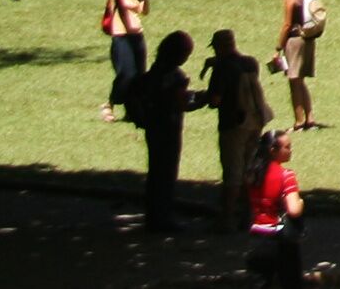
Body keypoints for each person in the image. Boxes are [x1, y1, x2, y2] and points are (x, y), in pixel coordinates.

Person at [121, 27, 200, 233]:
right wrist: (203, 98)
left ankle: (155, 215)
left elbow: (134, 89)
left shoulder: (155, 71)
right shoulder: (174, 76)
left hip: (154, 127)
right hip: (169, 127)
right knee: (166, 173)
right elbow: (180, 103)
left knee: (156, 171)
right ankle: (162, 217)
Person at [203, 27, 273, 229]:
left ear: (218, 47)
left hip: (233, 123)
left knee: (232, 171)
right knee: (248, 169)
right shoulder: (250, 63)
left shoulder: (222, 69)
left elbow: (215, 100)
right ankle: (248, 215)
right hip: (255, 120)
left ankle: (226, 219)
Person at [245, 126, 305, 283]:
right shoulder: (286, 176)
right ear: (273, 150)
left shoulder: (252, 174)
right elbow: (294, 210)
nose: (290, 151)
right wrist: (301, 202)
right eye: (287, 147)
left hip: (256, 236)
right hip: (280, 239)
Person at [271, 0, 326, 130]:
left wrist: (278, 48)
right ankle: (310, 118)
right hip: (308, 39)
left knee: (294, 81)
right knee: (301, 81)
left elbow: (287, 24)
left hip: (294, 40)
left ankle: (299, 121)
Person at [100, 0, 151, 121]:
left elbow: (144, 11)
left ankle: (133, 111)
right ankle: (109, 103)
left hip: (137, 37)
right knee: (126, 74)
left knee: (139, 77)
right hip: (121, 38)